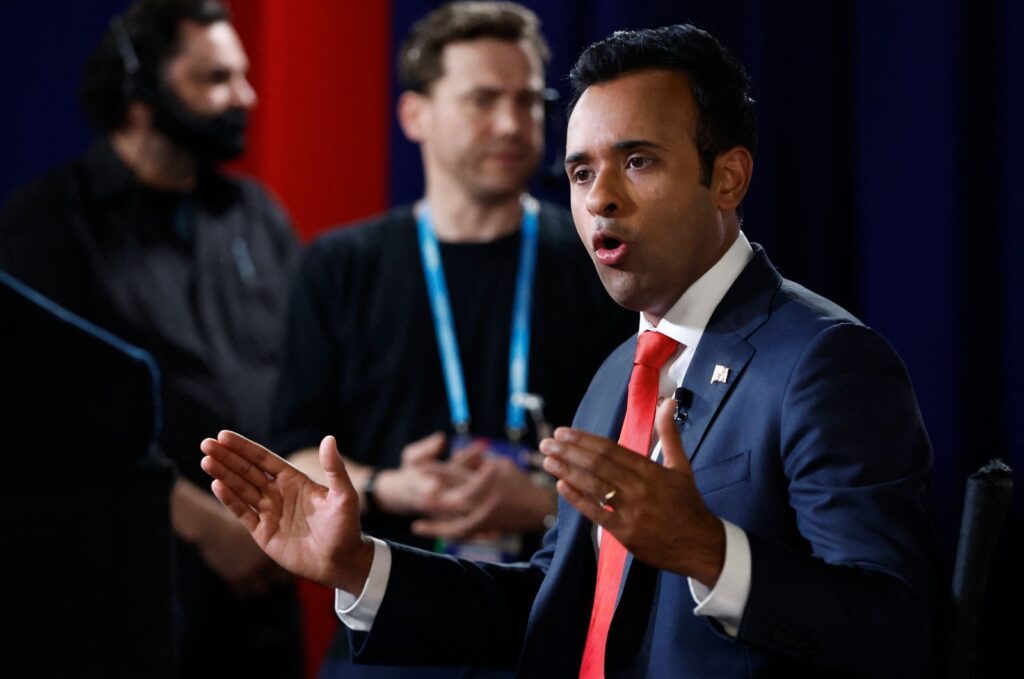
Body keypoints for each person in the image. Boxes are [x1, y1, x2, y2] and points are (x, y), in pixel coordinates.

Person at [201, 23, 935, 678]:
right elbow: (548, 609)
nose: (599, 199)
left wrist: (708, 550)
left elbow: (899, 630)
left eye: (637, 161)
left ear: (729, 177)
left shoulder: (823, 362)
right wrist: (357, 563)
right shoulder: (622, 370)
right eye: (582, 171)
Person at [270, 2, 633, 676]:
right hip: (389, 636)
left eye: (528, 101)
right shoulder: (340, 266)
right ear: (415, 116)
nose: (511, 124)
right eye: (482, 100)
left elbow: (654, 456)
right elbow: (294, 452)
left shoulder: (603, 257)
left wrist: (546, 500)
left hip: (554, 630)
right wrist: (395, 487)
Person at [0, 1, 301, 676]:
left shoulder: (255, 215)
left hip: (265, 580)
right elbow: (47, 423)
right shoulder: (45, 225)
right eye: (216, 79)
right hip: (129, 579)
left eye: (243, 76)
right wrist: (210, 527)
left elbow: (299, 374)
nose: (244, 97)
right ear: (139, 97)